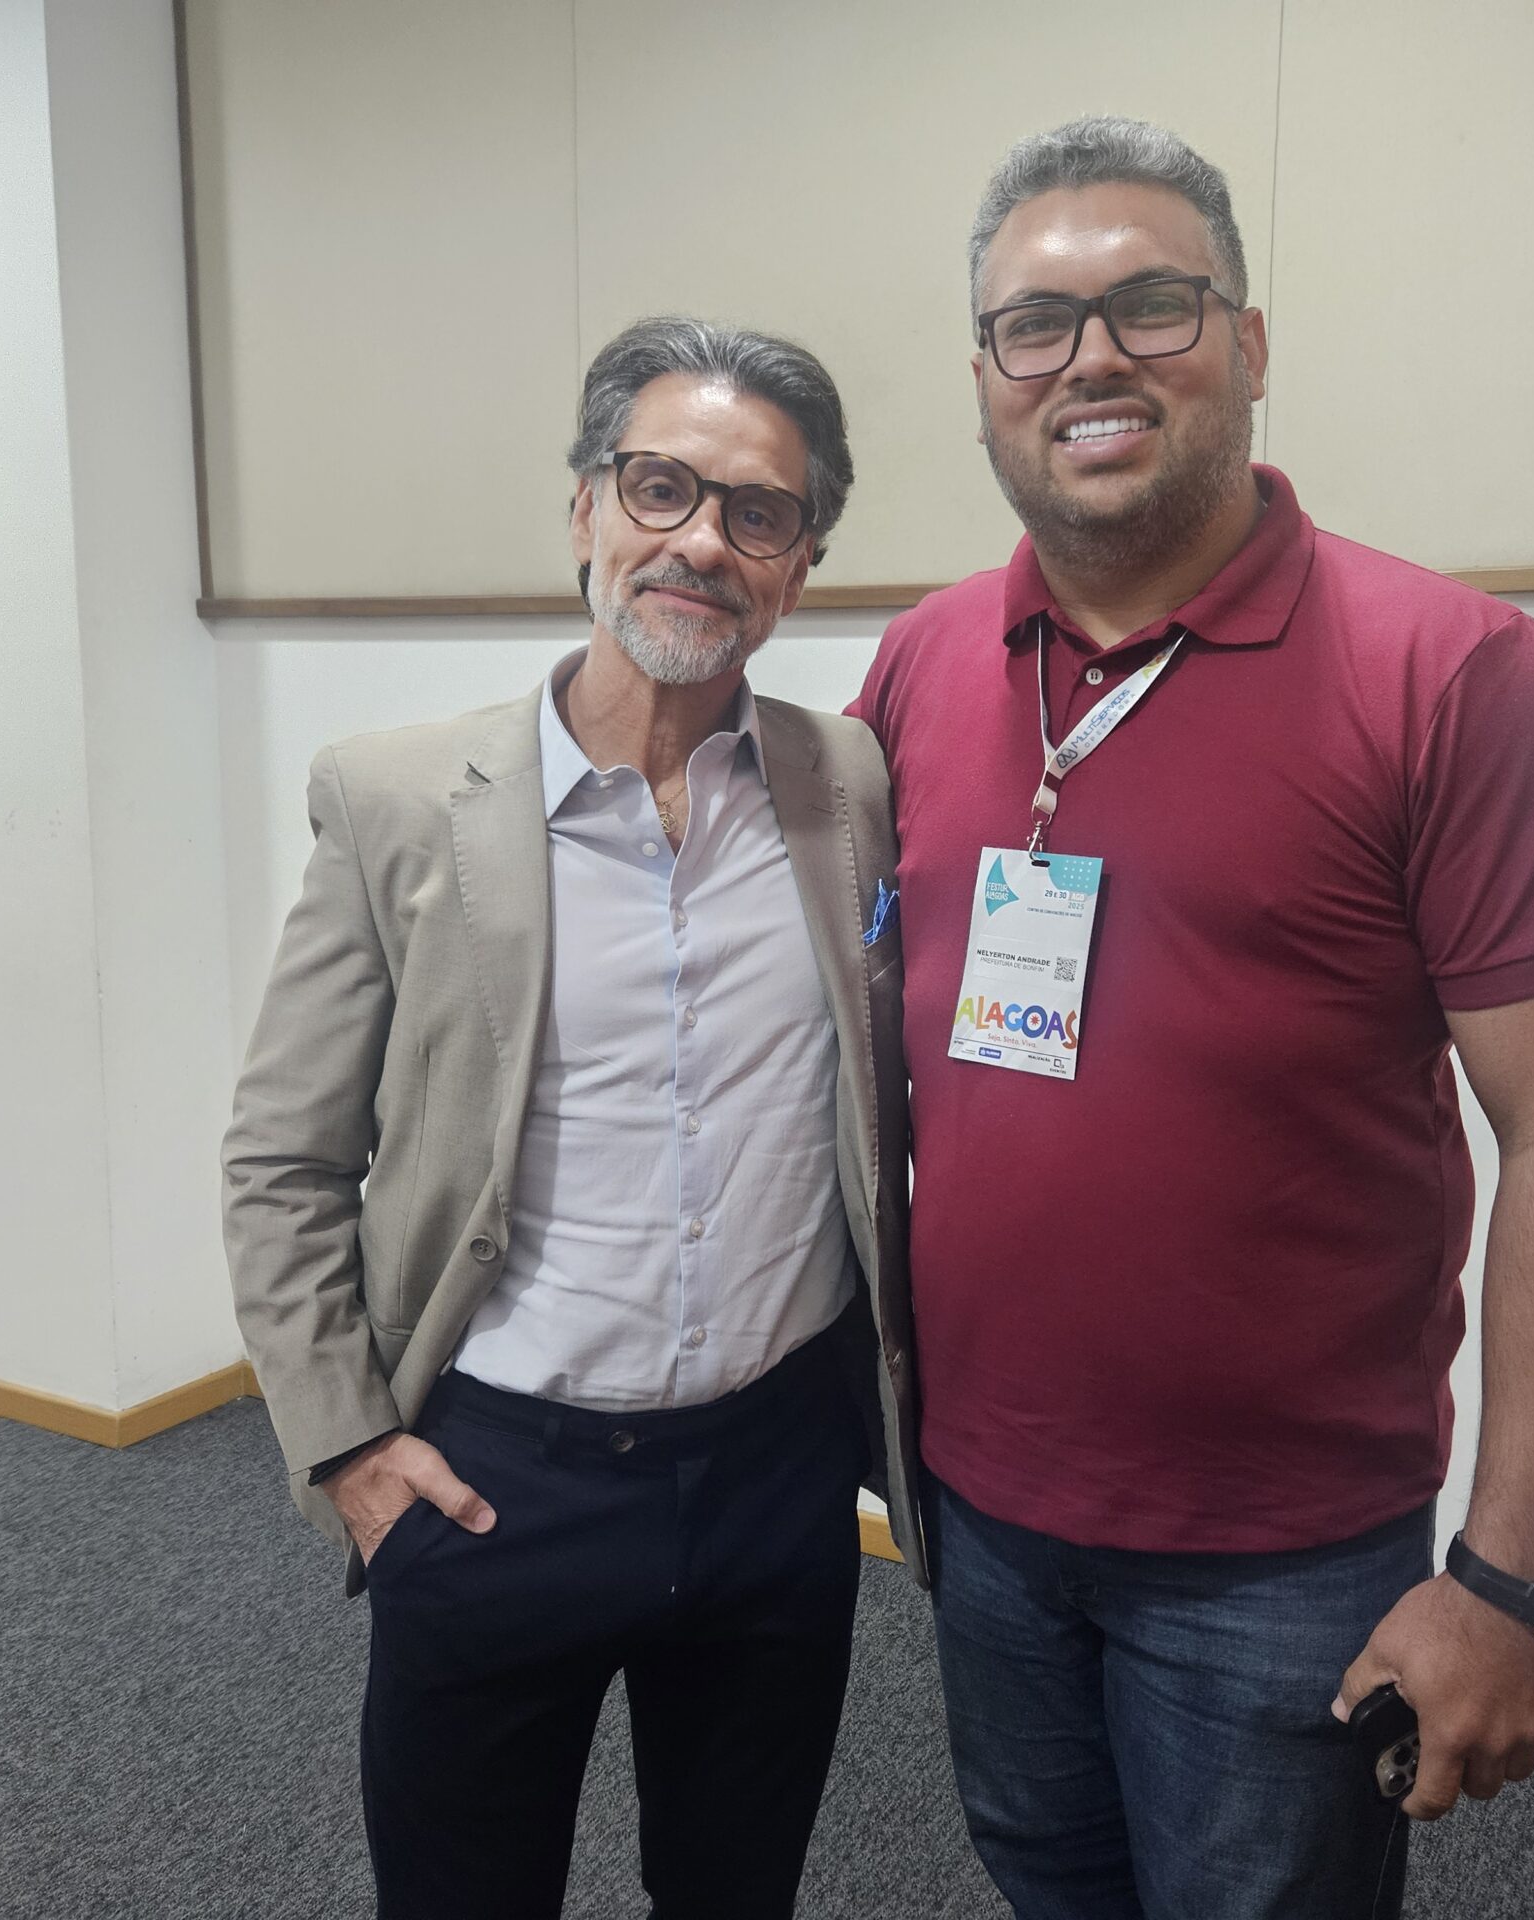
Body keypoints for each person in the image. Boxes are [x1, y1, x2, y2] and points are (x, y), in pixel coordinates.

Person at [849, 116, 1534, 1917]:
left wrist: (1513, 1581)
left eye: (1153, 305)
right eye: (1035, 326)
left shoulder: (1455, 676)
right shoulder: (918, 663)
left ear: (1250, 343)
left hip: (1284, 1558)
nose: (1092, 360)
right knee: (1047, 1883)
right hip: (979, 1508)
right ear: (984, 382)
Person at [221, 316, 919, 1920]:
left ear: (802, 565)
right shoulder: (399, 801)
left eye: (758, 512)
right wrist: (348, 1446)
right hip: (493, 1483)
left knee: (737, 1893)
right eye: (662, 487)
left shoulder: (849, 787)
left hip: (776, 1482)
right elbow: (283, 1157)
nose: (702, 543)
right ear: (587, 507)